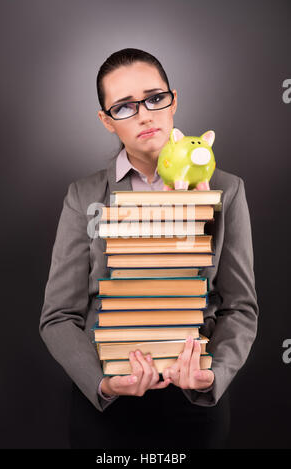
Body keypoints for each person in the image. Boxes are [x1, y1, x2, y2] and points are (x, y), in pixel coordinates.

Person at [39, 48, 258, 449]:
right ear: (106, 121)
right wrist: (101, 382)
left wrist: (213, 375)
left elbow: (240, 307)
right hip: (104, 408)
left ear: (174, 100)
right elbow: (59, 316)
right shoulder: (84, 195)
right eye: (124, 107)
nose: (144, 114)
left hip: (195, 407)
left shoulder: (227, 190)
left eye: (155, 98)